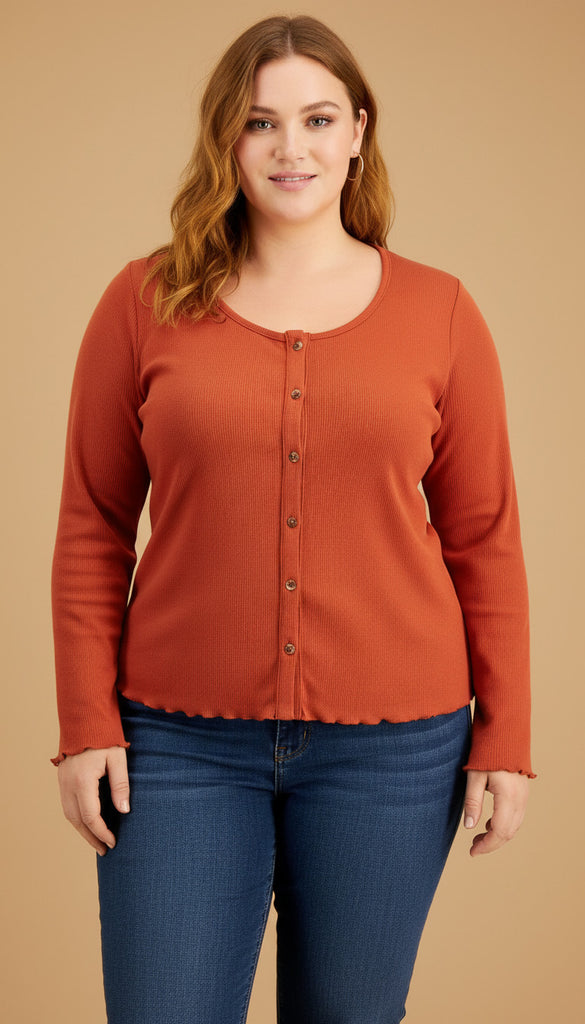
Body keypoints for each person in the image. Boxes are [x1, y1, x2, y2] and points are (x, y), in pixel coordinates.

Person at [50, 13, 536, 1024]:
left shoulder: (441, 312)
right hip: (175, 742)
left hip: (396, 748)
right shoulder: (144, 302)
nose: (291, 148)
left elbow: (484, 536)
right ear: (227, 139)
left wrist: (506, 738)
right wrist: (87, 723)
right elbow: (94, 522)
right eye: (260, 123)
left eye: (316, 119)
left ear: (358, 131)